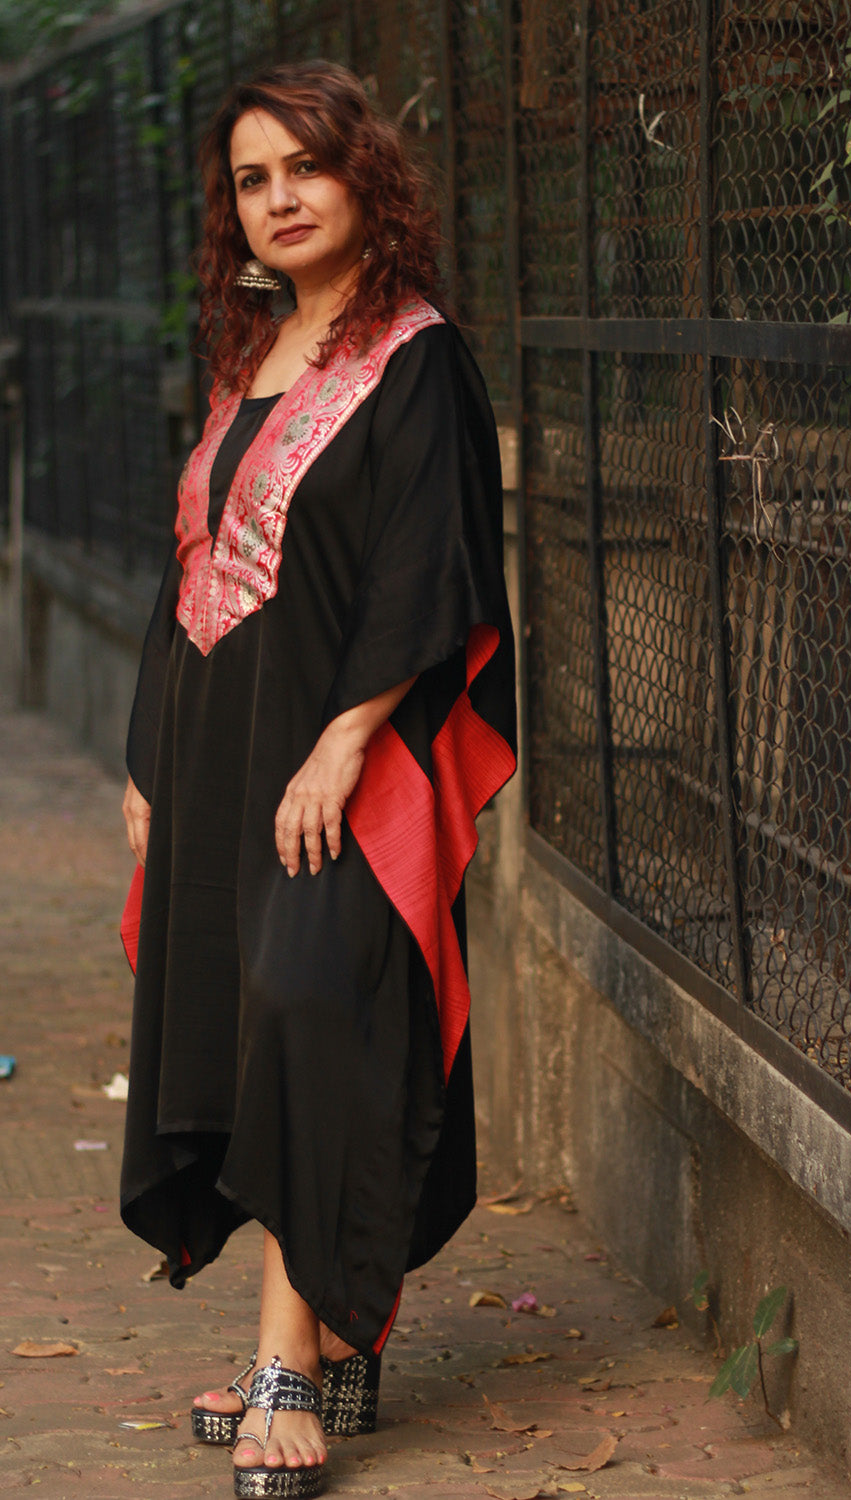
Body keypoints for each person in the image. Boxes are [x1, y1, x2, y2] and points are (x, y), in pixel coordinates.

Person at [119, 60, 516, 1500]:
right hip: (220, 759)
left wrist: (348, 739)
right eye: (252, 179)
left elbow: (431, 562)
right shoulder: (252, 358)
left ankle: (289, 1361)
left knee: (311, 1004)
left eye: (306, 167)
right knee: (247, 1023)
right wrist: (149, 761)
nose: (279, 199)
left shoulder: (418, 358)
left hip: (342, 757)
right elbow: (192, 563)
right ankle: (336, 1337)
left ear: (364, 175)